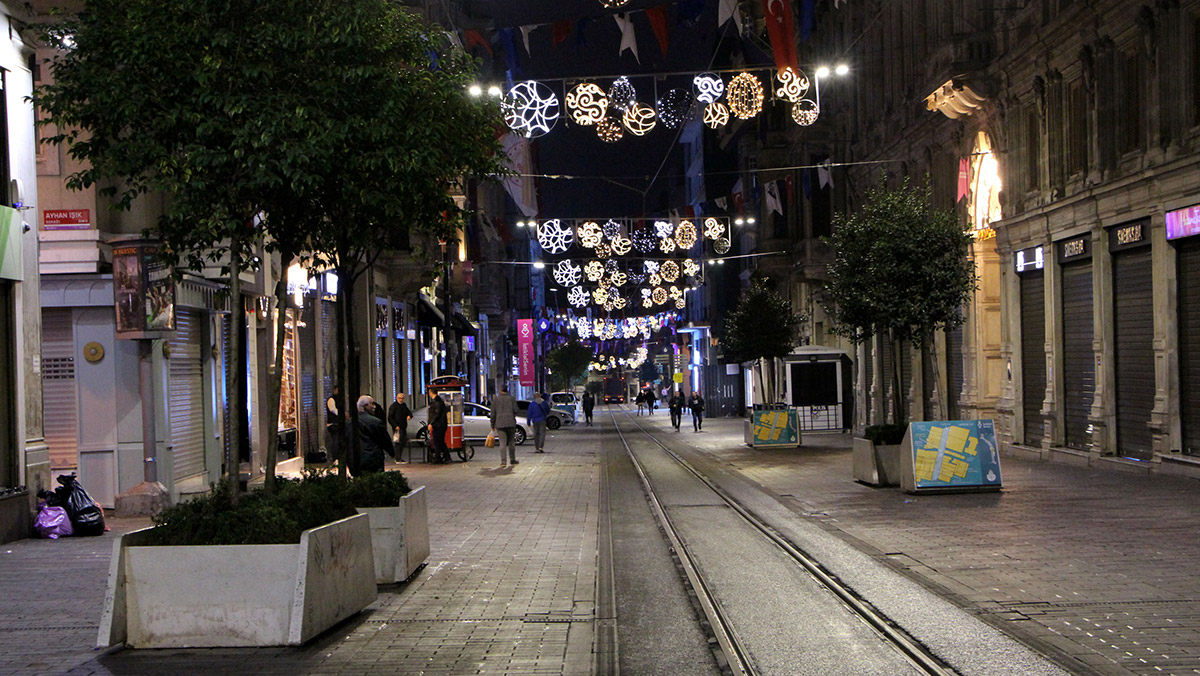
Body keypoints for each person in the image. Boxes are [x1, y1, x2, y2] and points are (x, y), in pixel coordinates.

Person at [354, 395, 392, 474]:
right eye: (372, 404)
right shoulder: (375, 422)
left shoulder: (350, 423)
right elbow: (384, 439)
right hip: (373, 458)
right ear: (365, 406)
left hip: (356, 459)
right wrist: (391, 452)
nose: (374, 407)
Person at [488, 386, 520, 467]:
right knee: (511, 442)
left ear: (500, 390)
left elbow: (493, 414)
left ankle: (503, 461)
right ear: (507, 390)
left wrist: (492, 425)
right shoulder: (512, 399)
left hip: (500, 424)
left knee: (502, 442)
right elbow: (516, 410)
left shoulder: (495, 400)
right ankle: (512, 459)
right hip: (511, 423)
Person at [387, 392, 412, 463]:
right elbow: (390, 417)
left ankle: (399, 457)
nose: (401, 400)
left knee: (403, 442)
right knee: (398, 442)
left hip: (403, 427)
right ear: (396, 398)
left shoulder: (404, 405)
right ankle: (397, 458)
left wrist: (409, 416)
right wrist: (395, 426)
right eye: (399, 398)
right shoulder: (393, 406)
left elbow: (409, 412)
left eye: (402, 398)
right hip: (397, 427)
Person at [427, 391, 450, 463]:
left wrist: (431, 423)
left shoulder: (437, 402)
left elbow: (436, 414)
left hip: (439, 425)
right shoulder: (438, 401)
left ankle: (439, 458)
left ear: (431, 392)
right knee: (440, 441)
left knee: (437, 441)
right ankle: (445, 457)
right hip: (440, 424)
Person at [325, 385, 343, 463]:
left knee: (338, 440)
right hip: (333, 424)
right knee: (335, 440)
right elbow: (332, 410)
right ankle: (335, 458)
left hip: (338, 423)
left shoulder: (339, 399)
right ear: (335, 390)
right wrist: (341, 414)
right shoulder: (331, 399)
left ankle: (339, 457)